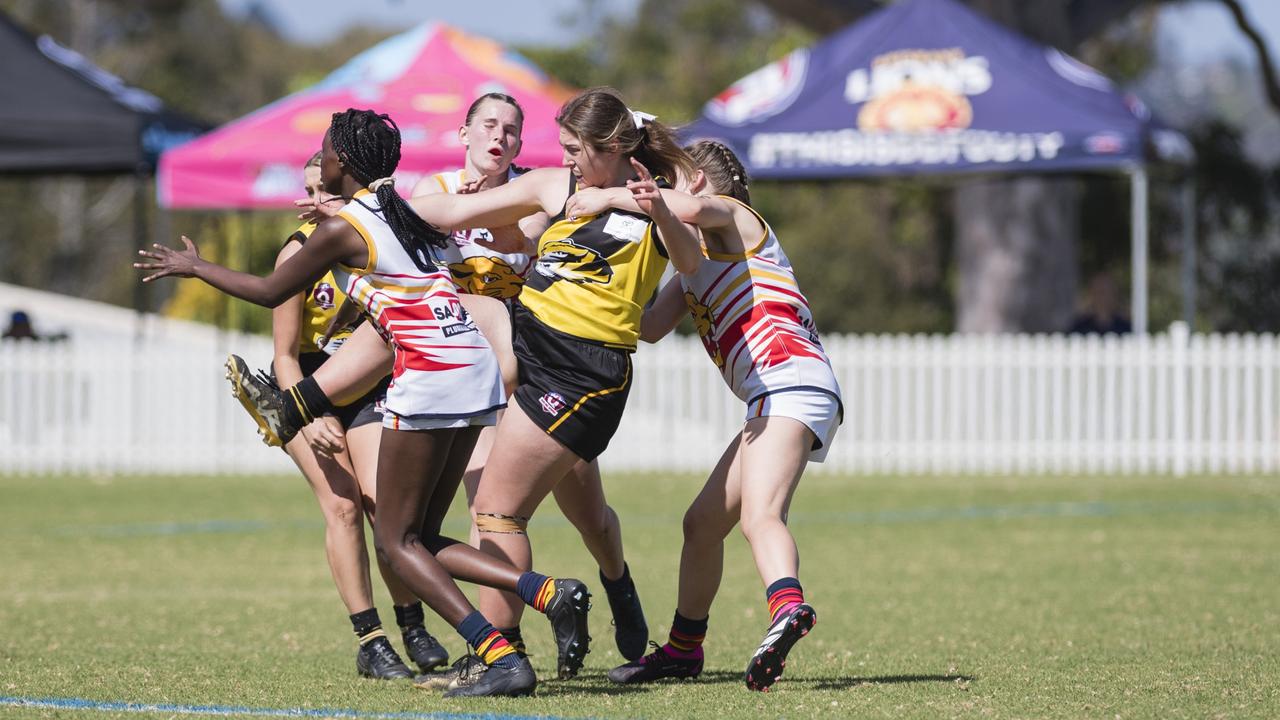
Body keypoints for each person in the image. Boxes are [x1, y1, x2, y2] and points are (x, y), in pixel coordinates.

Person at [134, 108, 591, 698]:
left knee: (395, 543)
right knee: (419, 537)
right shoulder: (402, 208)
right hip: (472, 368)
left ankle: (499, 656)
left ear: (341, 162)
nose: (321, 160)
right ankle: (550, 594)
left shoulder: (344, 226)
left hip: (430, 375)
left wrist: (195, 267)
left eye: (325, 151)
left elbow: (273, 290)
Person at [232, 91, 655, 679]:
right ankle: (506, 645)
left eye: (512, 129)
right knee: (491, 510)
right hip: (475, 358)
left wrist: (512, 217)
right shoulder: (431, 192)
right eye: (488, 125)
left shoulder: (545, 187)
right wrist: (362, 215)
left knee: (588, 511)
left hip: (540, 355)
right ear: (463, 134)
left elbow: (523, 235)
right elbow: (409, 232)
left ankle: (618, 583)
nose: (499, 137)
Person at [565, 140, 842, 692]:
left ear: (696, 181)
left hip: (791, 383)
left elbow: (691, 210)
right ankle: (683, 651)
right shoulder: (693, 262)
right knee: (700, 526)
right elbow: (647, 325)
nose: (661, 186)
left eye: (670, 177)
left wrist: (607, 198)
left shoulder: (737, 218)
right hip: (775, 397)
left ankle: (787, 607)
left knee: (760, 516)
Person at [230, 151, 448, 681]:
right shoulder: (299, 253)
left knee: (385, 507)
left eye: (324, 190)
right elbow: (284, 354)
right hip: (302, 390)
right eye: (308, 192)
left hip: (370, 390)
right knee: (344, 506)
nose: (314, 202)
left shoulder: (375, 242)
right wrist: (306, 413)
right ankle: (371, 641)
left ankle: (412, 624)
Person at [1067, 271, 1132, 335]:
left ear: (1114, 294)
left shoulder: (1126, 328)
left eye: (1107, 291)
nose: (1102, 297)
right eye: (1099, 291)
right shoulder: (1079, 327)